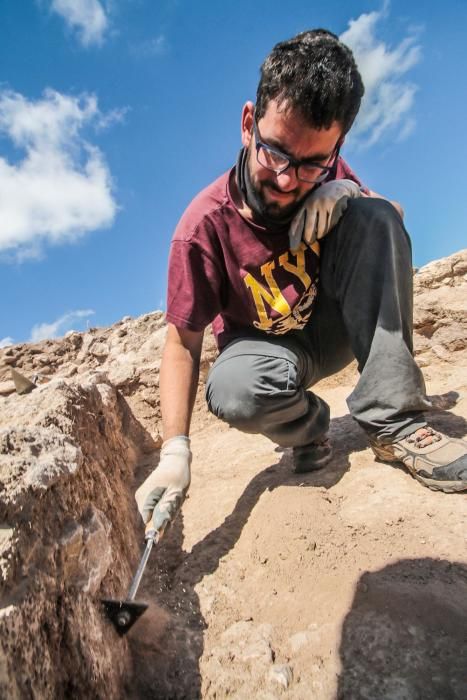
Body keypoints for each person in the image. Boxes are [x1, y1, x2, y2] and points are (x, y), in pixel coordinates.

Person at [135, 29, 467, 534]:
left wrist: (345, 188)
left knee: (374, 215)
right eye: (275, 154)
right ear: (249, 124)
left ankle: (395, 421)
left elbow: (391, 220)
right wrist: (174, 450)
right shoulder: (202, 226)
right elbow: (182, 343)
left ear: (336, 146)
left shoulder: (330, 170)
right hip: (270, 357)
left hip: (335, 330)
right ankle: (308, 431)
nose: (289, 180)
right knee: (232, 388)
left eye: (312, 164)